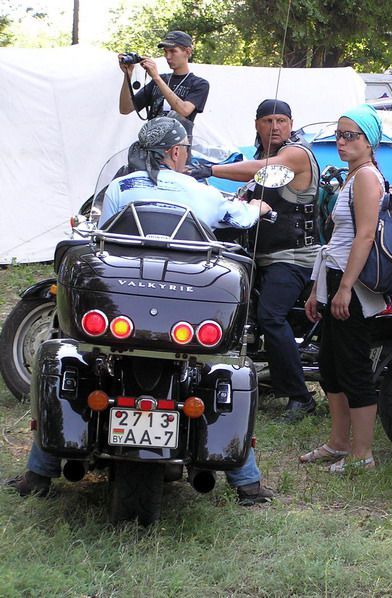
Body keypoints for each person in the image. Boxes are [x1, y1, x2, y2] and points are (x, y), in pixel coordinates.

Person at [7, 118, 273, 506]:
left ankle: (39, 471)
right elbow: (240, 219)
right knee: (220, 369)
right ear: (177, 152)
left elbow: (101, 233)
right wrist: (258, 205)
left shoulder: (120, 186)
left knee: (73, 358)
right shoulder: (199, 191)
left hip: (121, 305)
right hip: (182, 313)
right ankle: (246, 481)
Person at [188, 100, 321, 422]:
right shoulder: (260, 161)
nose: (275, 126)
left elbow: (264, 171)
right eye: (268, 120)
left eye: (281, 120)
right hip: (261, 257)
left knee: (271, 316)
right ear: (257, 124)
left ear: (291, 124)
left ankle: (301, 397)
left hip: (293, 257)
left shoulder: (295, 154)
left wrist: (209, 169)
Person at [300, 104, 388, 472]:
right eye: (339, 134)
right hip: (335, 276)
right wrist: (318, 290)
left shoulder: (367, 177)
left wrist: (345, 288)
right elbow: (338, 237)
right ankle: (338, 443)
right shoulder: (352, 177)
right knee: (330, 364)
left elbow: (365, 235)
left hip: (352, 283)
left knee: (353, 365)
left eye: (351, 135)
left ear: (369, 142)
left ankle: (362, 453)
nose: (342, 141)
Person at [118, 31, 209, 132]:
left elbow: (184, 110)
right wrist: (127, 75)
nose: (168, 56)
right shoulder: (159, 80)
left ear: (187, 52)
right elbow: (125, 109)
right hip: (152, 144)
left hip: (178, 146)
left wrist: (156, 77)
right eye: (165, 51)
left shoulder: (199, 84)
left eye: (173, 51)